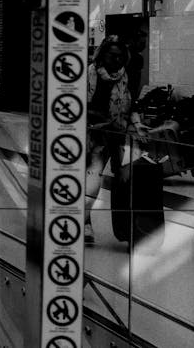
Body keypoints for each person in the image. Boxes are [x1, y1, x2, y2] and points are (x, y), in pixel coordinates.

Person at [83, 37, 135, 245]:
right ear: (102, 55)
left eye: (121, 56)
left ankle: (126, 227)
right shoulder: (91, 73)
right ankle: (85, 223)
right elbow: (83, 104)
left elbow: (128, 102)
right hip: (96, 135)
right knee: (92, 181)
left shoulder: (124, 76)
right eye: (112, 55)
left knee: (124, 179)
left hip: (119, 133)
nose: (117, 59)